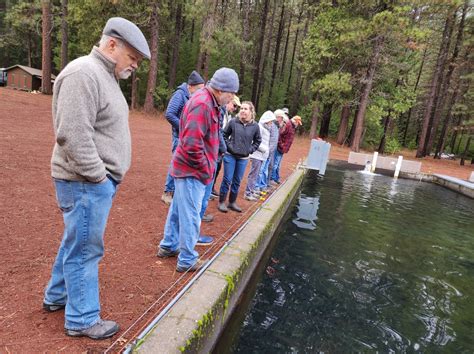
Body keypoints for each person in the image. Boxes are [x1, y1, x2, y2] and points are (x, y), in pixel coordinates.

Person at [43, 17, 150, 340]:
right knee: (86, 250)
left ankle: (56, 296)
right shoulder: (84, 73)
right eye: (132, 58)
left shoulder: (104, 76)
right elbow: (72, 136)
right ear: (112, 44)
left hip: (90, 181)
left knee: (76, 240)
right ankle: (82, 318)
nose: (135, 66)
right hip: (85, 182)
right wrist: (99, 178)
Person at [157, 68, 239, 272]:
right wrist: (205, 169)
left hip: (188, 169)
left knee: (177, 210)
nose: (232, 98)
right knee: (192, 215)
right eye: (231, 93)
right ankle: (187, 259)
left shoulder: (208, 101)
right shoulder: (203, 103)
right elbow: (192, 144)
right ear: (221, 90)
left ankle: (168, 245)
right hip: (191, 170)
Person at [161, 71, 205, 205]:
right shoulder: (180, 94)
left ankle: (174, 192)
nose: (200, 93)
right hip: (180, 136)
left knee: (181, 163)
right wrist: (184, 127)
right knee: (176, 162)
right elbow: (169, 114)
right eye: (198, 89)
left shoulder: (190, 96)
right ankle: (167, 192)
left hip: (187, 136)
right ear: (190, 86)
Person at [218, 101, 261, 213]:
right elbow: (224, 135)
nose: (242, 110)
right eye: (241, 108)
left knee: (237, 181)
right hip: (230, 156)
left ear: (251, 112)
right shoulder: (233, 122)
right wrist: (229, 147)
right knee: (227, 179)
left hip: (243, 158)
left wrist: (249, 150)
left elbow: (258, 140)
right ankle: (222, 202)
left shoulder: (255, 126)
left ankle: (232, 202)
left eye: (245, 109)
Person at [210, 95, 241, 198]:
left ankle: (211, 188)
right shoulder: (222, 111)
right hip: (217, 146)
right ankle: (209, 189)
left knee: (217, 168)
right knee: (213, 168)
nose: (235, 108)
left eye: (236, 107)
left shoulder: (228, 115)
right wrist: (223, 147)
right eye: (234, 105)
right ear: (228, 102)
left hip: (221, 147)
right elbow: (219, 131)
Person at [244, 111, 276, 200]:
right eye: (270, 121)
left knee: (257, 174)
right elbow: (254, 141)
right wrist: (264, 149)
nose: (271, 123)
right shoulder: (260, 127)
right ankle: (248, 193)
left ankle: (252, 190)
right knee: (253, 174)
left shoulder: (266, 128)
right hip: (257, 155)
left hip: (262, 156)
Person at [255, 109, 282, 192]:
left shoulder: (274, 126)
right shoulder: (263, 127)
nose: (271, 123)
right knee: (260, 170)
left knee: (265, 170)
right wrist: (267, 151)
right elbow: (262, 141)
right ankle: (257, 187)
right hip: (264, 153)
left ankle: (262, 185)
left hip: (269, 152)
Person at [271, 115, 302, 185]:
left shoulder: (292, 127)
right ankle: (272, 178)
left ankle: (276, 178)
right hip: (280, 148)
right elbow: (280, 134)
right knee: (276, 164)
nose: (298, 125)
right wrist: (281, 145)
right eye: (298, 123)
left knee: (278, 164)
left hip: (283, 149)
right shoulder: (288, 125)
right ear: (295, 121)